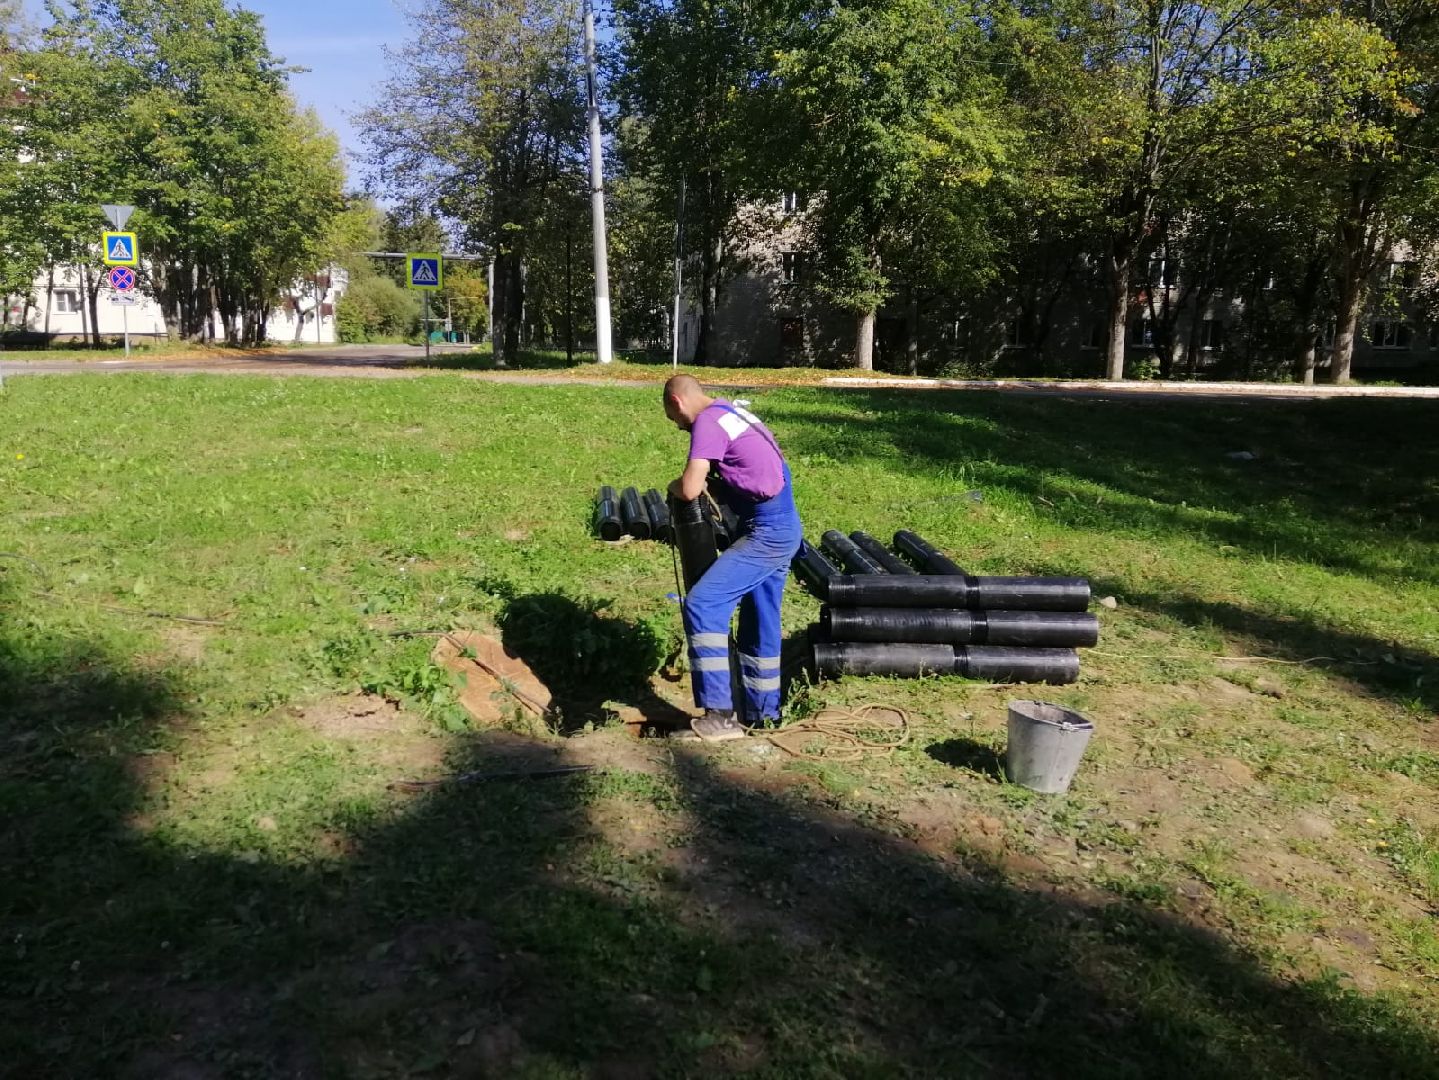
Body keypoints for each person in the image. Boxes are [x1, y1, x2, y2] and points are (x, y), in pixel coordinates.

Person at [663, 375, 803, 741]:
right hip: (785, 526)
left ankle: (721, 718)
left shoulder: (706, 422)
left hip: (766, 533)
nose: (679, 427)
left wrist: (672, 487)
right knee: (760, 619)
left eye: (674, 420)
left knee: (703, 602)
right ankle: (763, 715)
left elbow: (691, 487)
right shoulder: (733, 412)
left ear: (677, 404)